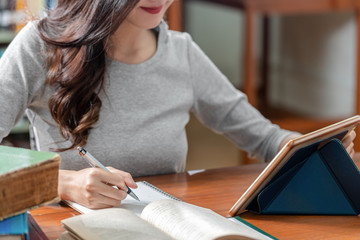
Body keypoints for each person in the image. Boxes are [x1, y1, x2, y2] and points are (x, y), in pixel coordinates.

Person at [0, 0, 356, 209]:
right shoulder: (40, 46)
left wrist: (320, 154)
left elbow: (263, 137)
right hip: (68, 225)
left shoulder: (181, 52)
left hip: (164, 224)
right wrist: (62, 184)